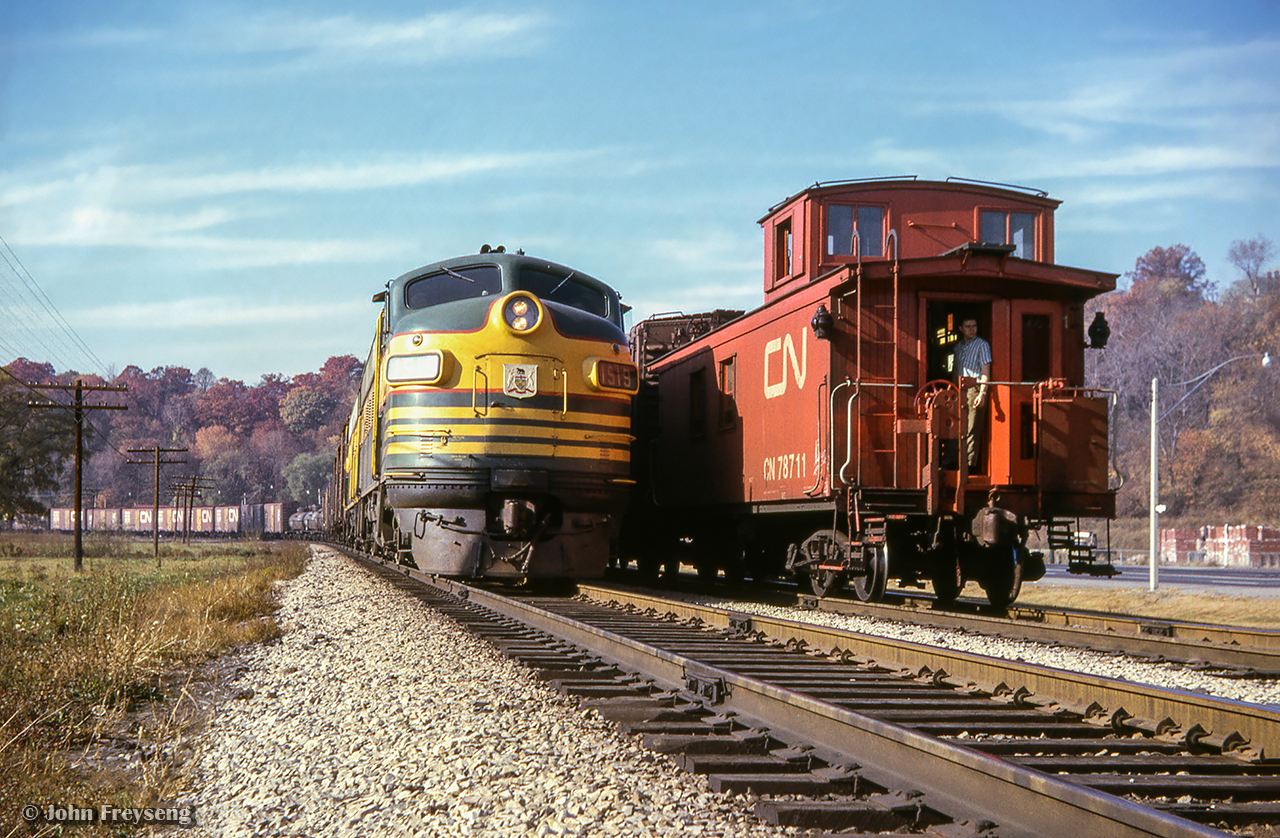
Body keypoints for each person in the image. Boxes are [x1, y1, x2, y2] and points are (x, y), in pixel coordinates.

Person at [953, 318, 991, 470]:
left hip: (974, 389)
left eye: (974, 326)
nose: (971, 329)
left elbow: (985, 371)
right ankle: (956, 462)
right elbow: (955, 370)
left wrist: (982, 393)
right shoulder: (958, 347)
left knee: (971, 428)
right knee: (957, 426)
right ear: (960, 328)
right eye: (967, 326)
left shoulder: (982, 345)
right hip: (958, 390)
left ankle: (969, 466)